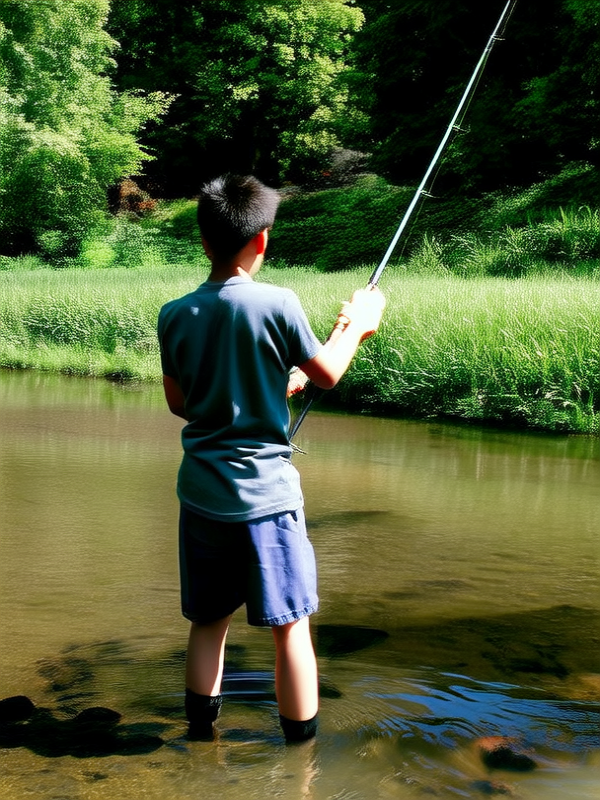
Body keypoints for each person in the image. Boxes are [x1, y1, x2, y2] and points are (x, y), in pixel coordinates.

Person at [157, 174, 385, 743]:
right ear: (263, 241)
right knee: (292, 630)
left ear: (204, 240)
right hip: (266, 498)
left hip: (202, 495)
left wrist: (270, 387)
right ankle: (300, 761)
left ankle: (199, 741)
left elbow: (182, 402)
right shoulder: (279, 302)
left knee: (208, 624)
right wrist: (357, 326)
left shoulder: (175, 313)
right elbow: (327, 374)